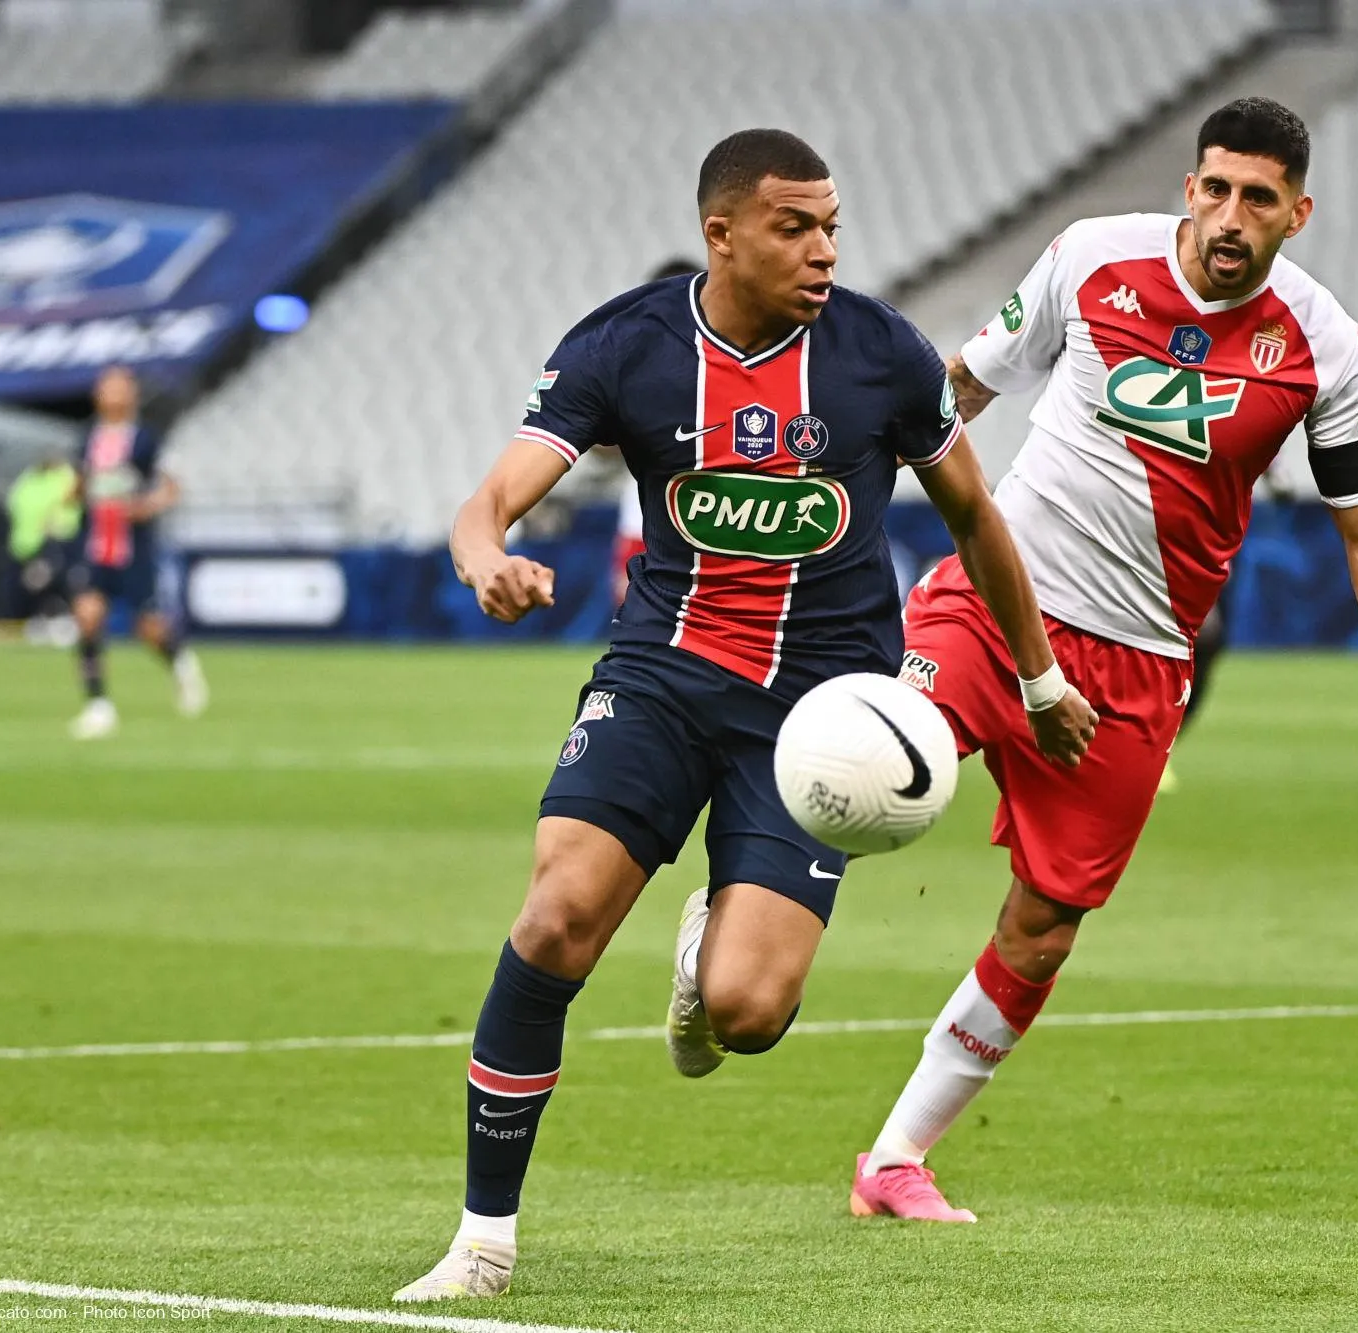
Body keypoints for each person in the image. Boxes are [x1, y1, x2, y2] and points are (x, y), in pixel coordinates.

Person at [392, 128, 1098, 1303]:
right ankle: (481, 1239)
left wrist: (1039, 681)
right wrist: (485, 559)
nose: (824, 250)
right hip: (662, 678)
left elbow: (977, 519)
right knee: (557, 917)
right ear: (721, 235)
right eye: (794, 227)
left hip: (820, 718)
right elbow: (490, 500)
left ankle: (707, 944)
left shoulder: (881, 354)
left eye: (831, 227)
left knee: (748, 1012)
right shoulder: (625, 345)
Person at [847, 97, 1358, 1223]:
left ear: (1297, 213)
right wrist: (845, 468)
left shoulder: (1323, 345)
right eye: (1215, 189)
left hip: (1139, 663)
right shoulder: (1091, 257)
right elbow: (961, 390)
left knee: (1045, 923)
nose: (1231, 216)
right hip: (999, 598)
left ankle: (894, 1160)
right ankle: (730, 927)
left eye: (1258, 199)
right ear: (1189, 187)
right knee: (883, 757)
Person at [64, 366, 207, 739]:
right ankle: (98, 705)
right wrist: (73, 494)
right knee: (88, 617)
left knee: (148, 627)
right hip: (94, 544)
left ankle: (179, 661)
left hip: (133, 548)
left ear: (132, 394)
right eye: (104, 386)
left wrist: (147, 505)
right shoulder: (87, 439)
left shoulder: (147, 440)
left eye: (117, 386)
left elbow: (171, 488)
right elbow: (78, 487)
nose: (109, 393)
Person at [608, 259, 700, 612]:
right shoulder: (634, 365)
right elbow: (600, 444)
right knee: (640, 623)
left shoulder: (728, 365)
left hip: (711, 528)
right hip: (644, 525)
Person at [3, 452, 81, 627]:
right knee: (26, 587)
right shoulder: (29, 477)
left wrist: (56, 527)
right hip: (23, 546)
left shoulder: (66, 476)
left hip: (52, 543)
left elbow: (70, 505)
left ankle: (57, 619)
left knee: (49, 583)